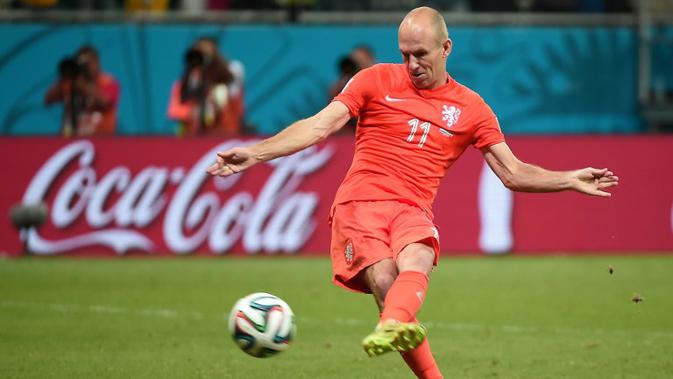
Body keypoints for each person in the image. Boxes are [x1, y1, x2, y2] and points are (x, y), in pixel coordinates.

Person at [207, 7, 619, 378]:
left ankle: (393, 322)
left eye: (421, 53)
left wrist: (568, 178)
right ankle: (400, 326)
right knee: (387, 280)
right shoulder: (374, 80)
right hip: (360, 203)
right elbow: (319, 125)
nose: (412, 63)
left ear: (446, 48)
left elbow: (513, 173)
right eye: (405, 53)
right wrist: (256, 154)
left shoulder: (472, 108)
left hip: (411, 208)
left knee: (420, 254)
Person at [167, 37, 245, 136]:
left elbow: (235, 106)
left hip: (223, 138)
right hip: (191, 139)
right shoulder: (184, 84)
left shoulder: (229, 78)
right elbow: (176, 111)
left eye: (207, 54)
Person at [45, 45, 120, 137]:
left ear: (97, 62)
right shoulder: (70, 83)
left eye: (88, 63)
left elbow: (105, 101)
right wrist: (66, 77)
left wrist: (83, 85)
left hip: (102, 141)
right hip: (71, 139)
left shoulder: (107, 81)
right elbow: (48, 99)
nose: (85, 67)